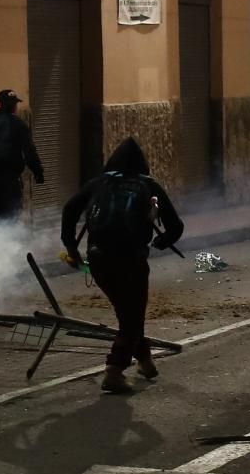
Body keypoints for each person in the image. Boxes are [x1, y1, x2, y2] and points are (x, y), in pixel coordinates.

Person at [61, 137, 184, 393]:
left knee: (127, 312)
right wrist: (160, 242)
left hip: (98, 259)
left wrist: (71, 247)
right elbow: (176, 226)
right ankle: (114, 370)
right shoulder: (148, 185)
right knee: (132, 315)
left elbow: (69, 210)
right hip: (131, 260)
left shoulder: (99, 183)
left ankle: (145, 360)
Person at [0, 89, 43, 219]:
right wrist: (38, 171)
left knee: (1, 213)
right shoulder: (18, 124)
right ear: (14, 106)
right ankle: (9, 238)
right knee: (12, 214)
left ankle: (2, 237)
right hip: (10, 178)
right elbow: (29, 151)